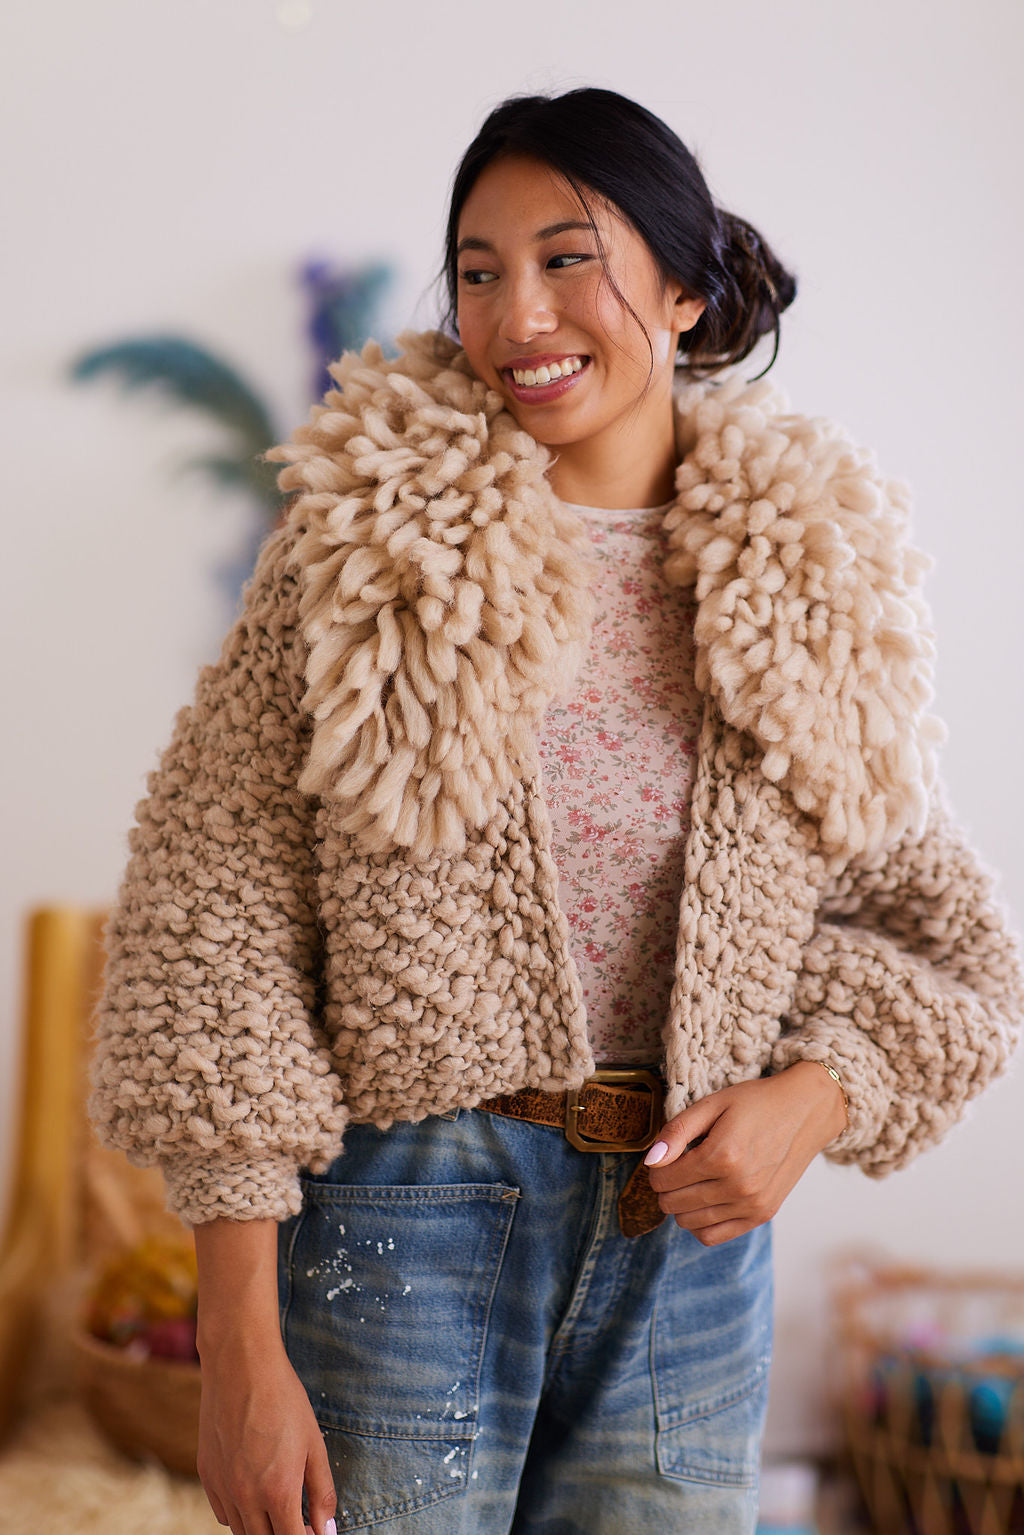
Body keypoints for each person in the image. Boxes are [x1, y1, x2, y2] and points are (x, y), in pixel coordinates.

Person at [88, 87, 1023, 1535]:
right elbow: (210, 926)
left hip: (691, 1254)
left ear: (685, 285)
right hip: (404, 1226)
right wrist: (240, 1349)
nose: (519, 311)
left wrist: (810, 1097)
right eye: (478, 269)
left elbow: (942, 944)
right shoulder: (359, 559)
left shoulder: (804, 581)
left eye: (567, 255)